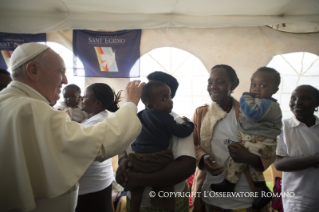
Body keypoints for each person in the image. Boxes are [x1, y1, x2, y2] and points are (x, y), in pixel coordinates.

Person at [0, 43, 145, 212]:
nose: (65, 80)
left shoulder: (8, 101)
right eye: (60, 71)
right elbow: (98, 143)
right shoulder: (30, 109)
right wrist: (130, 104)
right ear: (33, 71)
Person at [192, 64, 274, 212]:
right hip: (210, 195)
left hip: (245, 198)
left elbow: (269, 150)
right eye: (210, 82)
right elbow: (193, 145)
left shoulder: (250, 114)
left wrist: (249, 157)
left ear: (233, 84)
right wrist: (204, 158)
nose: (213, 87)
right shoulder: (202, 113)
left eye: (220, 82)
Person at [116, 71, 196, 212]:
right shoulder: (136, 116)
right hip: (137, 200)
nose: (142, 89)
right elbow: (123, 143)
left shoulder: (176, 120)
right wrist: (123, 159)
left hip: (166, 201)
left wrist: (139, 179)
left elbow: (187, 166)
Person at [213, 67, 281, 193]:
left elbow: (252, 113)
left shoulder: (264, 105)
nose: (256, 88)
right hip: (255, 141)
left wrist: (245, 97)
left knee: (236, 161)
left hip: (259, 142)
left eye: (263, 85)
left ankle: (229, 184)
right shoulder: (202, 112)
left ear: (233, 85)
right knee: (252, 169)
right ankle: (261, 190)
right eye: (254, 84)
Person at [76, 83, 122, 212]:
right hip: (97, 183)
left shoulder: (97, 123)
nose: (81, 99)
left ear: (97, 103)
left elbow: (80, 152)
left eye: (85, 97)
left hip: (92, 188)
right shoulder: (98, 118)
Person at [275, 85, 319, 211]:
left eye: (305, 98)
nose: (297, 102)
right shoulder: (281, 128)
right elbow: (279, 163)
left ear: (317, 103)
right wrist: (315, 158)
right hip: (298, 200)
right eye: (293, 98)